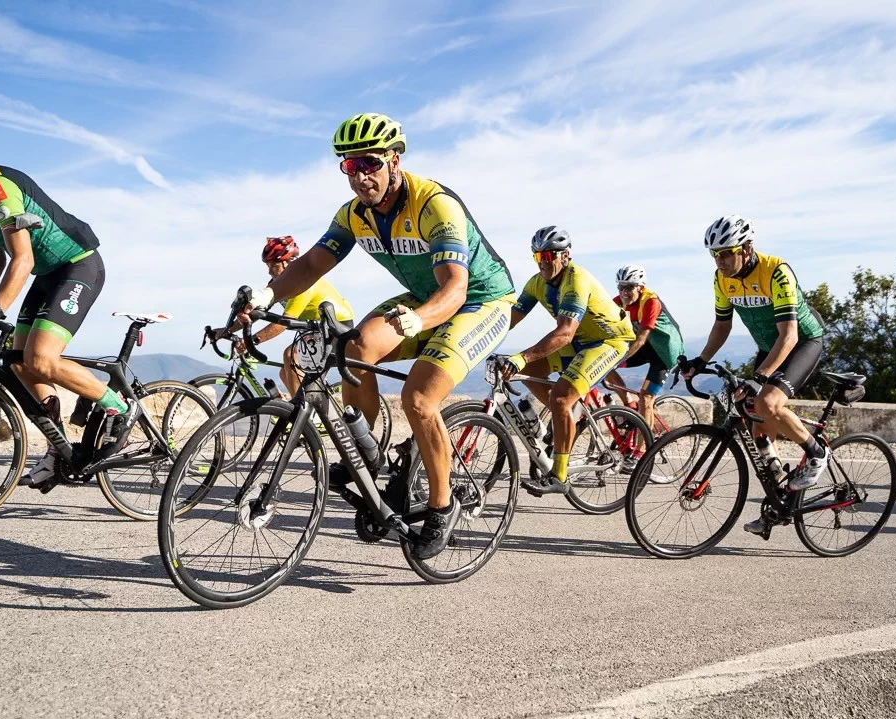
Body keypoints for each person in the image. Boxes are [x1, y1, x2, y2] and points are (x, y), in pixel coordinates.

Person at [236, 113, 516, 559]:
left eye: (369, 163)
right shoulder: (353, 215)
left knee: (419, 398)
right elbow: (310, 265)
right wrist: (267, 296)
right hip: (425, 296)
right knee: (355, 348)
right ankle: (366, 452)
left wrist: (419, 320)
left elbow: (455, 288)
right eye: (350, 166)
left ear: (394, 160)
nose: (361, 175)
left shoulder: (434, 204)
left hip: (480, 300)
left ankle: (442, 508)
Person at [0, 112, 134, 489]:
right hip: (46, 275)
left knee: (41, 359)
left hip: (77, 265)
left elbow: (23, 258)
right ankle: (59, 449)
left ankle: (118, 406)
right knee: (20, 365)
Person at [681, 215, 828, 537]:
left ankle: (817, 453)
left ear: (746, 248)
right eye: (714, 254)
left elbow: (789, 335)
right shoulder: (721, 279)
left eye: (725, 252)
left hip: (801, 341)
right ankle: (779, 496)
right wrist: (699, 360)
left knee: (769, 401)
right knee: (751, 412)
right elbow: (722, 326)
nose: (719, 260)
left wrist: (760, 377)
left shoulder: (777, 271)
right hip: (769, 346)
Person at [499, 226, 636, 494]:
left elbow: (564, 332)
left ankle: (560, 475)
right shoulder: (536, 283)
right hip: (578, 341)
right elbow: (509, 320)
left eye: (549, 256)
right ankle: (558, 422)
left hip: (608, 341)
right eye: (538, 257)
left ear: (565, 256)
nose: (544, 262)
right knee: (524, 371)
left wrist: (521, 355)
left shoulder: (577, 280)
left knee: (560, 397)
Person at [218, 236, 355, 397]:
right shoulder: (277, 285)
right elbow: (256, 312)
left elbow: (283, 323)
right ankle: (302, 411)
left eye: (272, 266)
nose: (269, 271)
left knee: (291, 356)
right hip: (316, 328)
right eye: (267, 266)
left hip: (337, 326)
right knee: (286, 371)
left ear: (286, 263)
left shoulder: (303, 282)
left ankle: (306, 416)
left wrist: (253, 341)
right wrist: (226, 330)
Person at [603, 265, 685, 432]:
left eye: (629, 287)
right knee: (603, 363)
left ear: (640, 288)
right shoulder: (618, 302)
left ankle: (644, 450)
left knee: (646, 399)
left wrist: (618, 359)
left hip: (664, 354)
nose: (624, 292)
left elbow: (640, 339)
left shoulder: (651, 302)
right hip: (646, 349)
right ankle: (629, 403)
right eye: (621, 287)